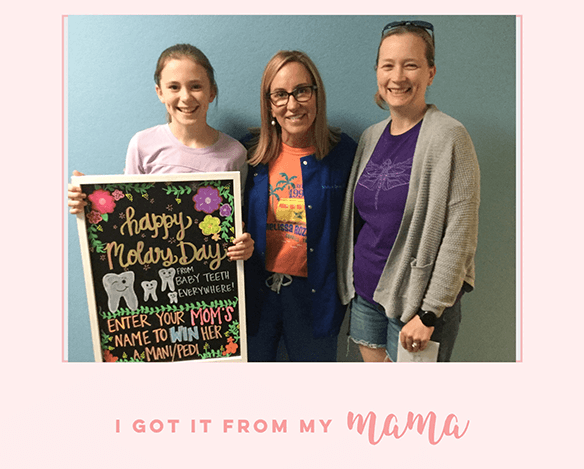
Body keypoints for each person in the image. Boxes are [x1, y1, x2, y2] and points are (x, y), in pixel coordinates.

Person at [337, 21, 480, 362]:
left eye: (410, 65)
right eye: (388, 65)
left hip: (419, 307)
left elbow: (460, 235)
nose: (397, 77)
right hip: (367, 295)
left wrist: (430, 312)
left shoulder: (450, 137)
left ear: (430, 73)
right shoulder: (371, 137)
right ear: (377, 73)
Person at [68, 43, 253, 261]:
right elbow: (127, 217)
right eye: (174, 87)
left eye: (196, 86)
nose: (185, 97)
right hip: (154, 270)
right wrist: (87, 201)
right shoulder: (142, 145)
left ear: (211, 91)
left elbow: (237, 223)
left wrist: (244, 245)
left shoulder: (234, 154)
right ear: (160, 92)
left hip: (209, 279)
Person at [243, 50, 357, 362]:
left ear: (317, 95)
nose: (292, 104)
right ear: (269, 104)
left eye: (302, 91)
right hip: (257, 296)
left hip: (315, 296)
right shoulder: (248, 155)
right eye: (280, 94)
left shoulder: (344, 154)